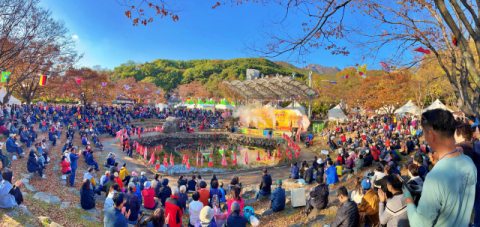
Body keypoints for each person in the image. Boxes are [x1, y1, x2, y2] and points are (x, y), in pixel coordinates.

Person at [406, 109, 476, 226]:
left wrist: (408, 198)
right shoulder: (469, 163)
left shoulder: (435, 177)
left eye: (424, 134)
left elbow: (419, 224)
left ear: (431, 135)